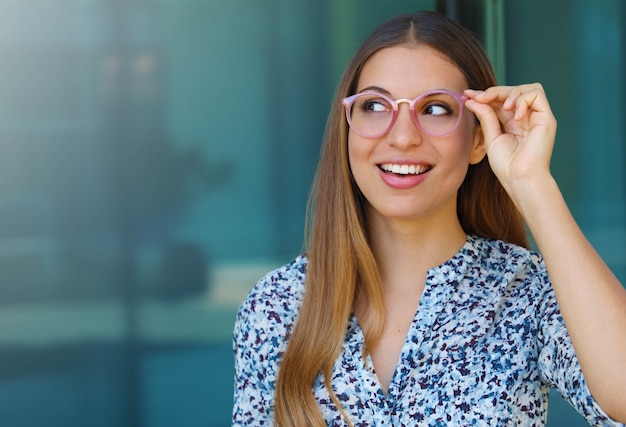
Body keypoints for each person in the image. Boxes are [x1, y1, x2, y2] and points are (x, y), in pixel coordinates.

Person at [232, 10, 626, 427]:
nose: (402, 136)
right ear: (347, 132)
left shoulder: (526, 293)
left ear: (478, 139)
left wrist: (532, 183)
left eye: (435, 109)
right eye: (375, 106)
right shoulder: (276, 305)